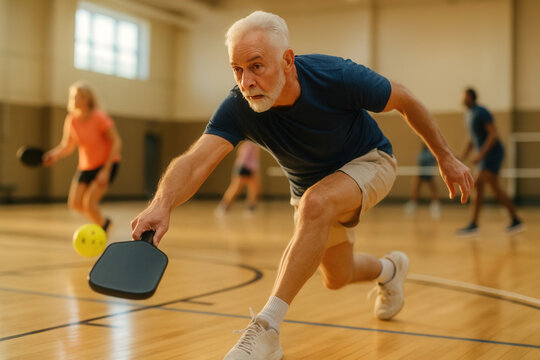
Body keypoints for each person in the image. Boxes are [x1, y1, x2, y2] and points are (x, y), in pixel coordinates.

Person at [131, 11, 473, 360]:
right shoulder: (239, 106)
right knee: (338, 276)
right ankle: (391, 270)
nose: (246, 81)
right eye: (237, 69)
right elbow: (194, 160)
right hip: (312, 188)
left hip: (371, 162)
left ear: (287, 60)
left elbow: (405, 100)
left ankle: (267, 330)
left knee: (316, 203)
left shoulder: (336, 75)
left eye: (256, 66)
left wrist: (446, 157)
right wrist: (162, 203)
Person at [43, 81, 122, 233]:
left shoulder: (100, 117)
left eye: (81, 97)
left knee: (89, 204)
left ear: (89, 100)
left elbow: (117, 142)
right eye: (74, 97)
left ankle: (102, 229)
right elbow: (67, 145)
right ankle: (104, 224)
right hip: (86, 166)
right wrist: (54, 155)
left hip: (106, 164)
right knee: (74, 203)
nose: (76, 100)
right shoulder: (71, 119)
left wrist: (106, 170)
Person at [457, 88, 523, 236]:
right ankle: (515, 219)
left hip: (493, 154)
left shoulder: (482, 112)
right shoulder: (468, 115)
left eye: (463, 96)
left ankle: (474, 224)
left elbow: (493, 135)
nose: (461, 99)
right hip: (484, 156)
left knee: (479, 183)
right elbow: (471, 140)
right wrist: (461, 157)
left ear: (470, 97)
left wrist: (480, 155)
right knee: (492, 187)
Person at [215, 140, 261, 216]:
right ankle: (224, 206)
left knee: (254, 188)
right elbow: (244, 159)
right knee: (236, 188)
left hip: (249, 169)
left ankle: (251, 207)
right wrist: (251, 170)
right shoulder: (248, 146)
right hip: (244, 169)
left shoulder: (253, 145)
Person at [404, 143, 441, 219]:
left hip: (429, 172)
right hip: (421, 172)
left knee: (433, 189)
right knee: (415, 188)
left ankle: (435, 205)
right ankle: (413, 203)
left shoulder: (432, 152)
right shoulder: (421, 152)